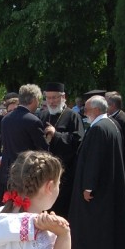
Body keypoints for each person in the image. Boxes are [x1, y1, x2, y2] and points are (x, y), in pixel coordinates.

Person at [68, 95, 125, 249]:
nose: (85, 113)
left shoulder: (99, 128)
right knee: (104, 227)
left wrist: (89, 186)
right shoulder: (111, 125)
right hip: (107, 187)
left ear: (96, 110)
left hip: (97, 190)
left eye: (87, 109)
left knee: (95, 227)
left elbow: (94, 160)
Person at [37, 82, 85, 217]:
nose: (51, 101)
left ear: (63, 97)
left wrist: (56, 135)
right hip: (44, 173)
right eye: (49, 98)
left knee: (62, 213)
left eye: (55, 98)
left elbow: (78, 141)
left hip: (65, 174)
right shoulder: (42, 115)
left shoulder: (72, 116)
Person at [0, 84, 48, 193]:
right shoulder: (33, 121)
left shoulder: (6, 119)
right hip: (25, 175)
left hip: (6, 174)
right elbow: (43, 150)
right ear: (34, 99)